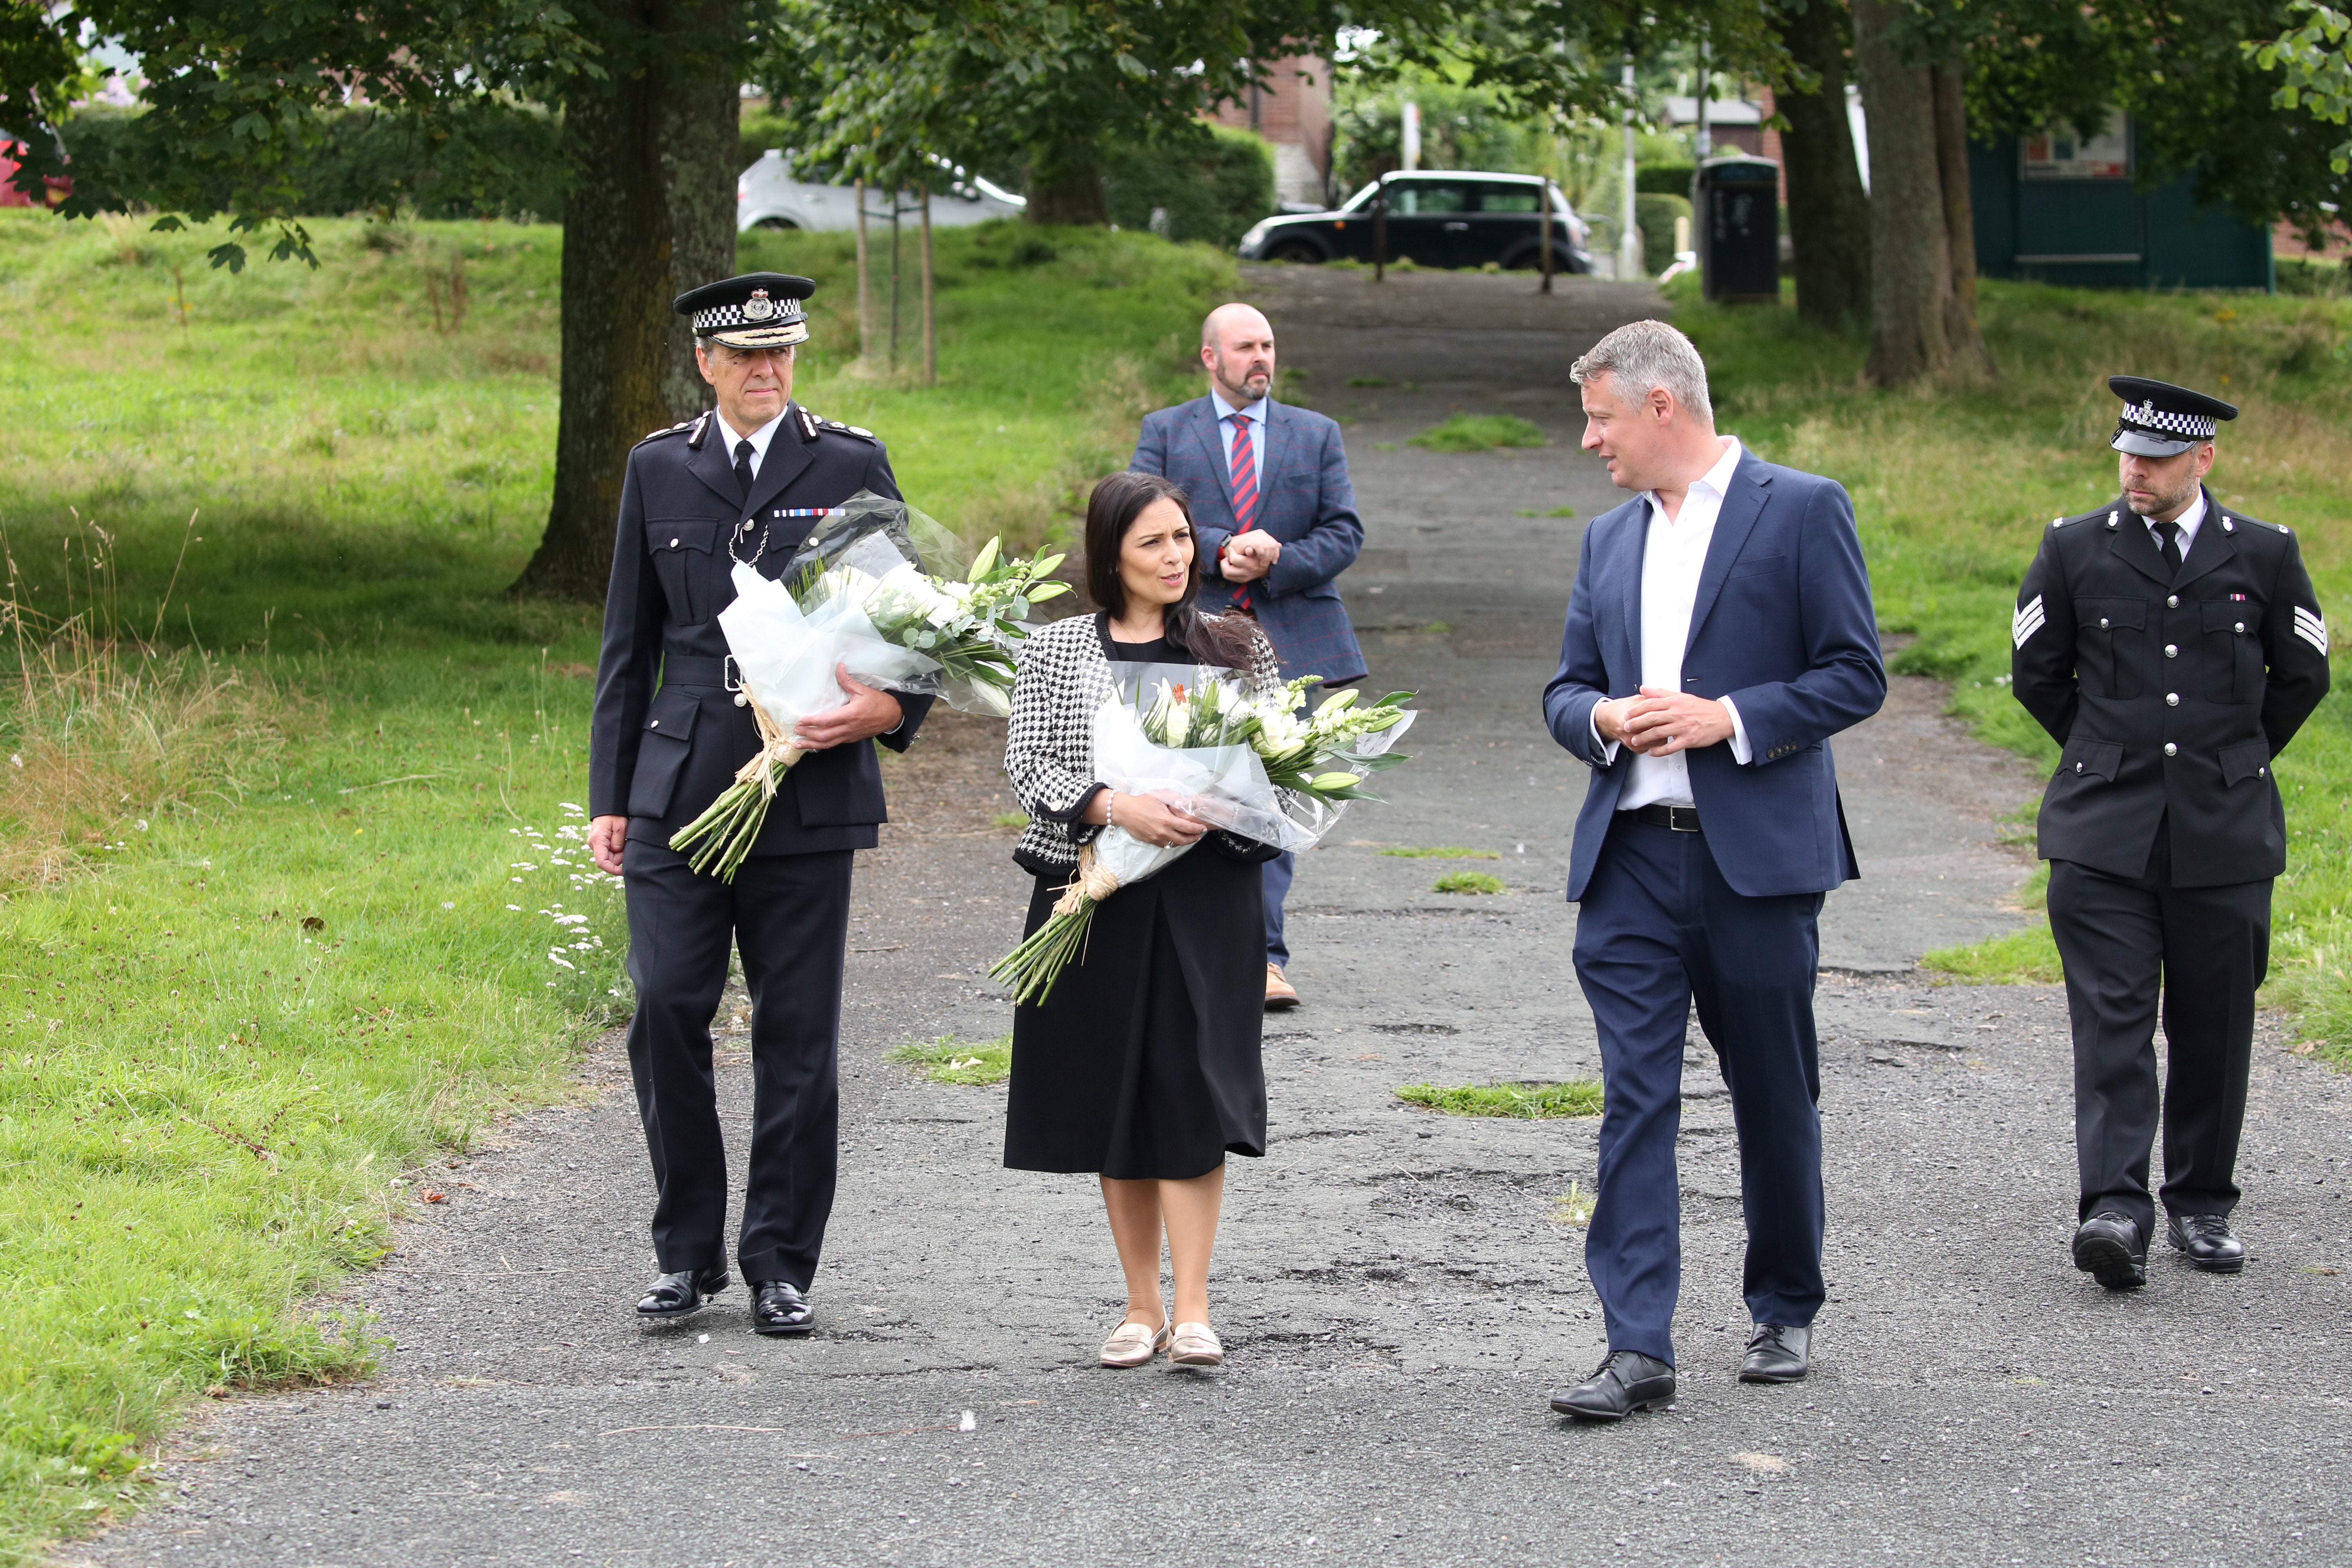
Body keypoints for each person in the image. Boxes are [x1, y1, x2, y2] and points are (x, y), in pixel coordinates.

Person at [1539, 320, 1886, 1421]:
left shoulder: (1803, 508)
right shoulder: (1606, 540)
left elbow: (1854, 674)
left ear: (1658, 406)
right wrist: (1599, 715)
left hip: (1758, 864)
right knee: (1634, 1101)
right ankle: (1636, 1345)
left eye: (1599, 417)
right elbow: (1563, 690)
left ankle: (1784, 1302)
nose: (1590, 439)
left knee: (1774, 1091)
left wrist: (1726, 717)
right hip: (1632, 857)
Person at [587, 272, 932, 1336]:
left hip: (811, 789)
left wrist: (886, 711)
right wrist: (609, 797)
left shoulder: (848, 462)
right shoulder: (659, 467)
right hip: (681, 789)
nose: (766, 371)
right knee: (667, 1010)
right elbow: (627, 645)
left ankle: (782, 1262)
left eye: (782, 353)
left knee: (797, 1033)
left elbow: (915, 626)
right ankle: (685, 1256)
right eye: (745, 357)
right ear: (707, 363)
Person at [2011, 376, 2328, 1289]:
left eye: (2154, 460)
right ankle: (2115, 1208)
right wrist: (2108, 754)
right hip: (2102, 833)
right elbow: (2039, 673)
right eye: (2127, 455)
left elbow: (2303, 674)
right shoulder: (2073, 549)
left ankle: (2201, 1203)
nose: (2135, 472)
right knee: (2111, 1021)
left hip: (2224, 834)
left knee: (2214, 1023)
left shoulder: (2266, 554)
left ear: (2203, 459)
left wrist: (2233, 757)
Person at [999, 471, 1283, 1370]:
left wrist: (1223, 806)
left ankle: (1194, 1307)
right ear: (1110, 557)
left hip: (1205, 897)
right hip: (1094, 888)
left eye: (1182, 539)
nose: (1175, 558)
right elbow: (1030, 763)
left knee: (1192, 1089)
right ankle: (1139, 1305)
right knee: (1111, 1094)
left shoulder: (1233, 642)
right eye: (1151, 544)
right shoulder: (1056, 651)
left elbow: (1279, 761)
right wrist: (1117, 806)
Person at [1131, 303, 1364, 1011]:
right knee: (1180, 787)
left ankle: (1262, 957)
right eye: (1244, 348)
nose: (1260, 358)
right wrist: (1219, 548)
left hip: (1292, 639)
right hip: (1190, 632)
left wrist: (1278, 559)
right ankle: (1175, 944)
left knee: (1271, 798)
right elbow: (1134, 515)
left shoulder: (1315, 433)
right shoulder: (1166, 431)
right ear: (1210, 357)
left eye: (1267, 345)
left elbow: (1345, 533)